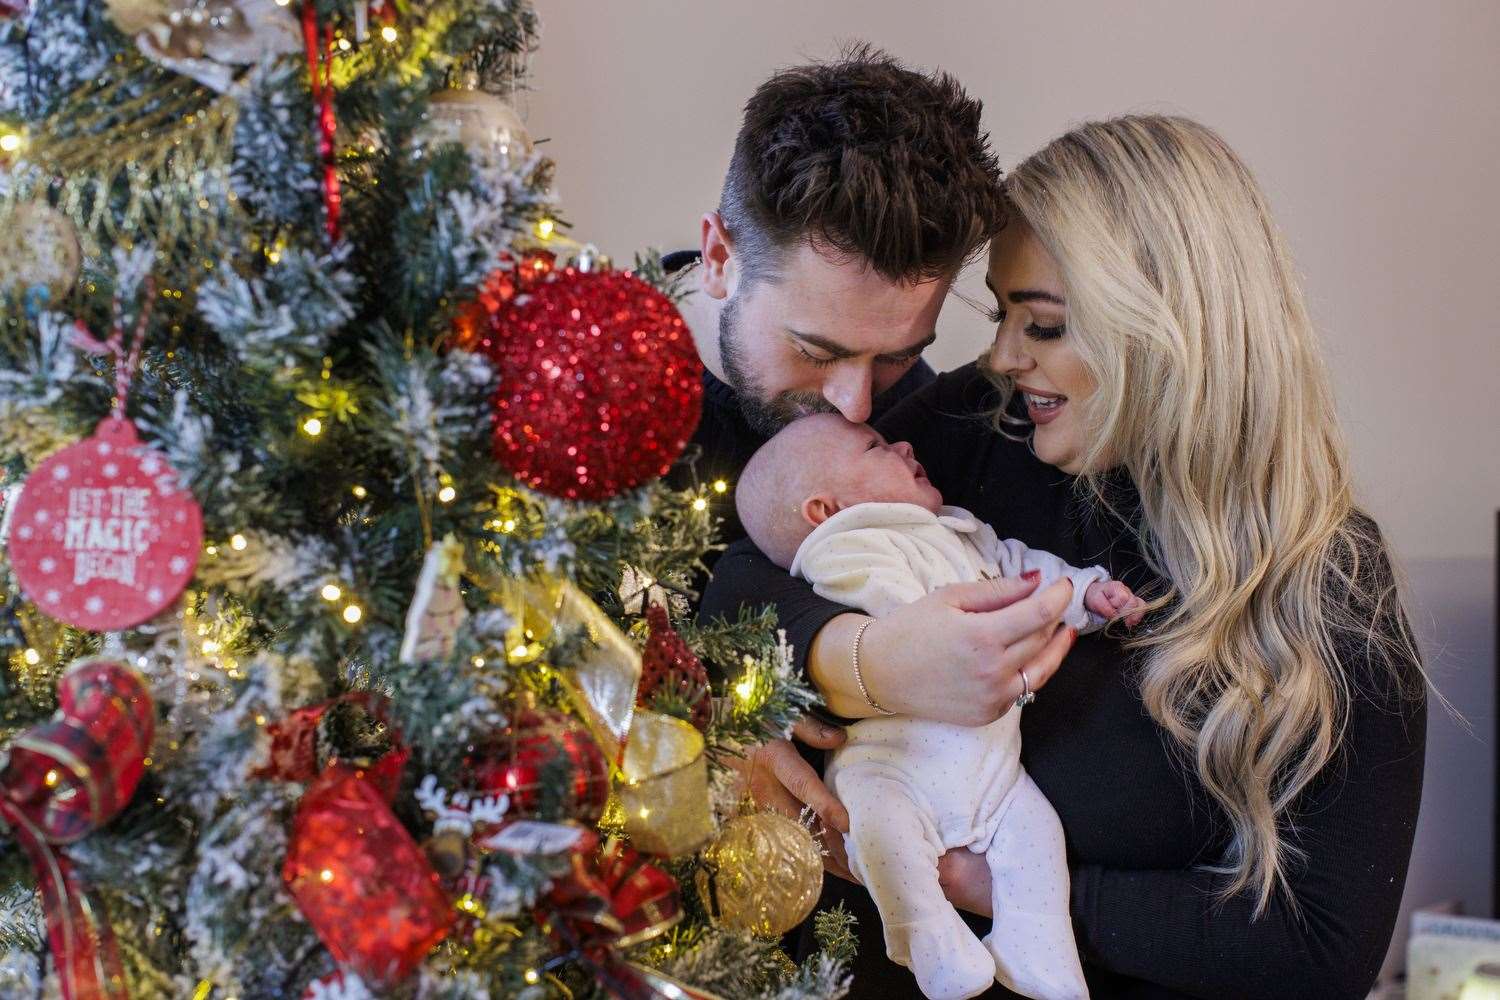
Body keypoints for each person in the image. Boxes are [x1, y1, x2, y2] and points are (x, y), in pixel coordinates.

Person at [701, 115, 1428, 999]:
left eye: (1041, 325)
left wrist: (1007, 889)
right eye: (1004, 314)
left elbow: (1320, 949)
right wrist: (865, 663)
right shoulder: (982, 430)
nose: (1004, 357)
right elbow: (749, 569)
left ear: (1168, 335)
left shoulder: (1325, 576)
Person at [737, 412, 1145, 999]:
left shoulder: (961, 531)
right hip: (889, 767)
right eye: (877, 447)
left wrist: (1082, 593)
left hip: (994, 773)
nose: (903, 442)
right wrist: (926, 640)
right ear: (824, 510)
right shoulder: (841, 550)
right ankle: (923, 933)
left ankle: (1038, 943)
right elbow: (876, 605)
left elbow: (1022, 569)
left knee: (1035, 833)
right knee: (879, 832)